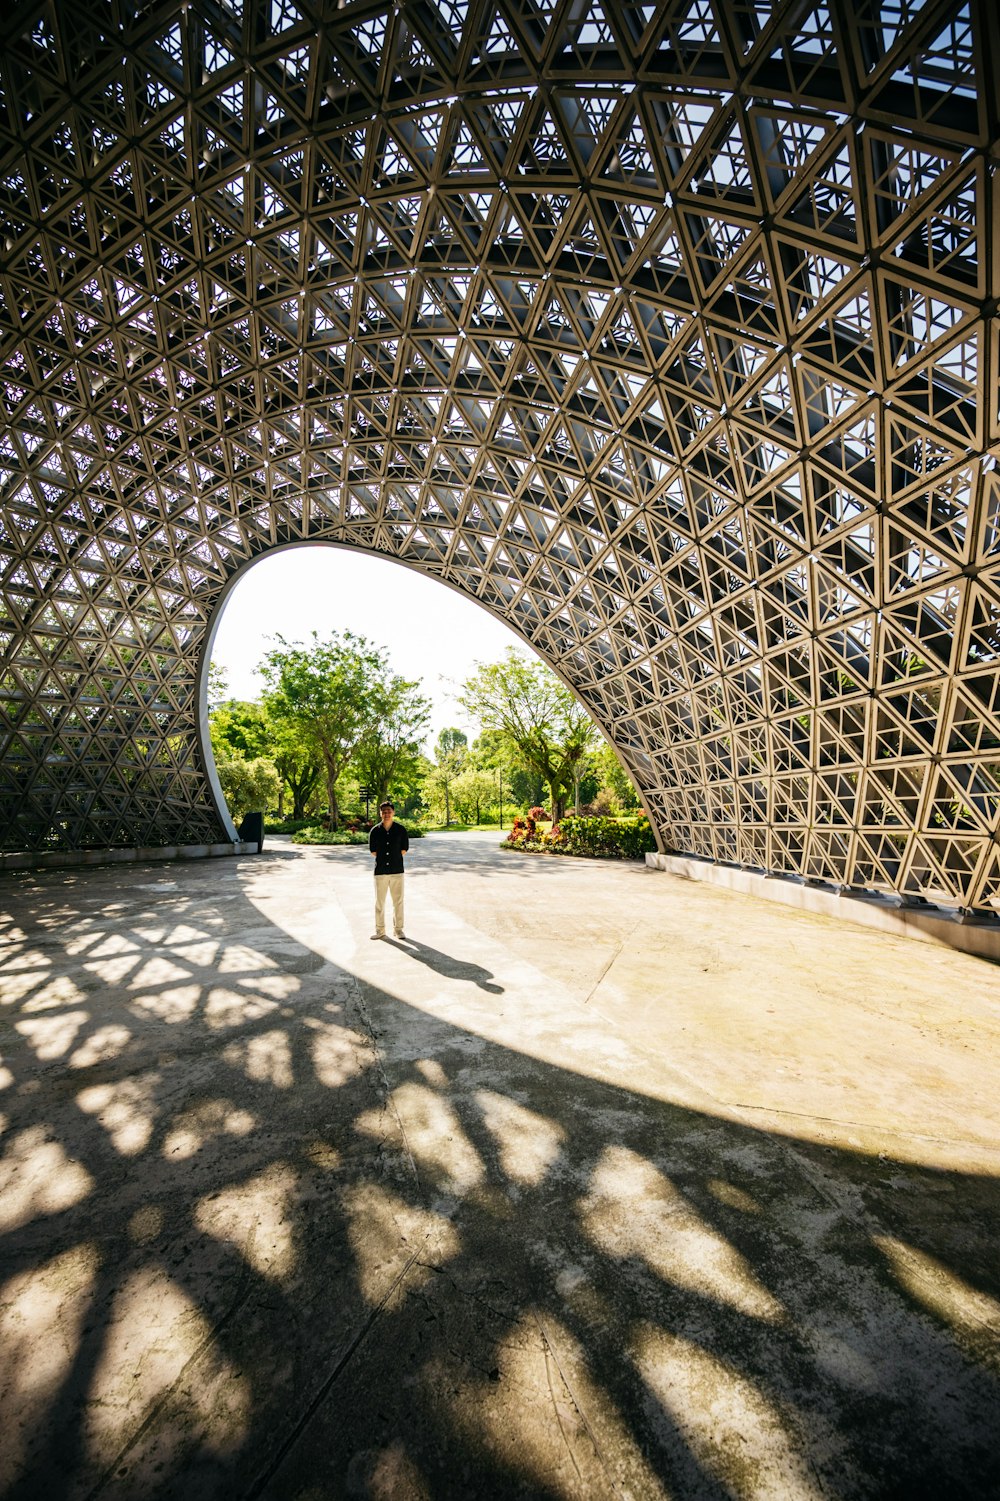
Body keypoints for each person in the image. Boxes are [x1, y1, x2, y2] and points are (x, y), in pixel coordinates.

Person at [369, 800, 409, 940]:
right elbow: (373, 851)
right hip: (380, 872)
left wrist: (393, 858)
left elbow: (404, 849)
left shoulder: (401, 830)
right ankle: (380, 930)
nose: (386, 814)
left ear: (393, 812)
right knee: (379, 902)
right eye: (384, 811)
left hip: (397, 870)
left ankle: (398, 930)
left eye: (389, 811)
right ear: (380, 813)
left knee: (398, 901)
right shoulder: (375, 831)